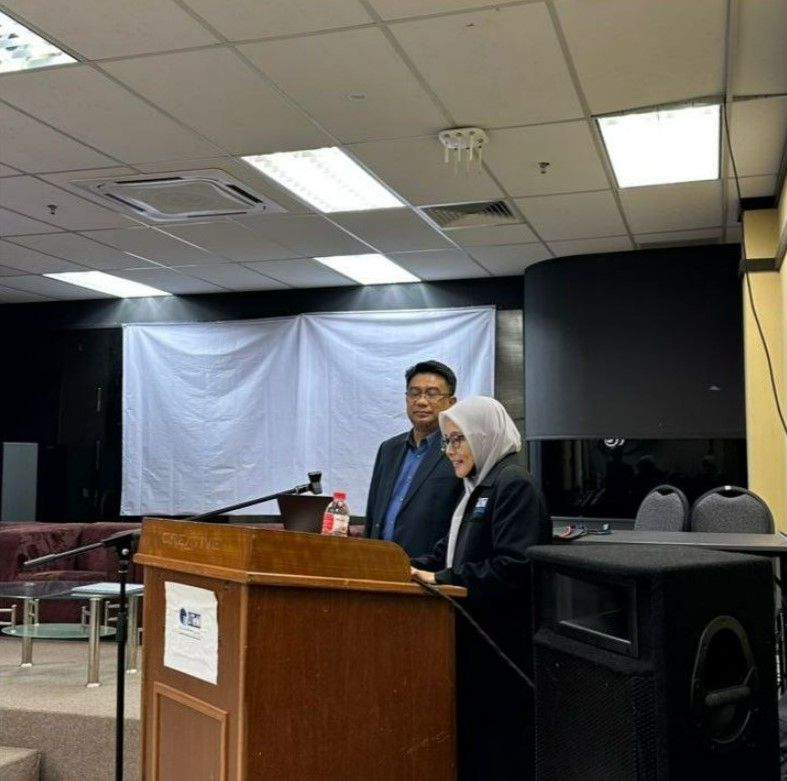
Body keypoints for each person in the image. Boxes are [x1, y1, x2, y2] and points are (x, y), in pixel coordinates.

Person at [410, 395, 551, 781]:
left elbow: (515, 567)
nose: (449, 450)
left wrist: (441, 580)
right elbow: (447, 552)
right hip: (474, 642)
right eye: (447, 440)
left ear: (484, 435)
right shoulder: (477, 486)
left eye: (459, 439)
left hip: (502, 648)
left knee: (501, 754)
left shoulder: (513, 484)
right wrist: (401, 566)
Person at [365, 360, 464, 557]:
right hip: (379, 562)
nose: (421, 402)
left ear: (451, 403)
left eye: (432, 394)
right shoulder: (388, 449)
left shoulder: (459, 450)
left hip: (428, 567)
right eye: (414, 393)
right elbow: (373, 512)